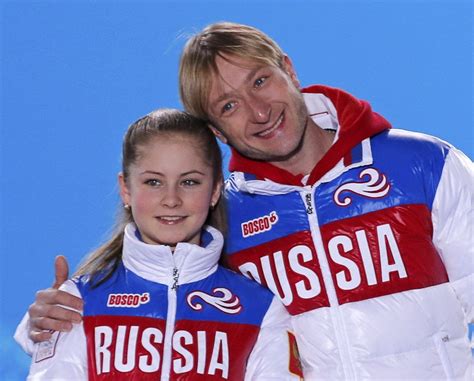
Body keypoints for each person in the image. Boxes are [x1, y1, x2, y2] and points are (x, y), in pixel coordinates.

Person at [17, 22, 473, 379]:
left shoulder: (423, 165)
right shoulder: (220, 215)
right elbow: (164, 299)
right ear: (216, 130)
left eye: (260, 81)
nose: (258, 111)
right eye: (228, 106)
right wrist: (50, 317)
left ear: (289, 70)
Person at [24, 109, 302, 380]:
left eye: (190, 182)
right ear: (126, 189)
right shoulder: (77, 301)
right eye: (154, 181)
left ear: (215, 189)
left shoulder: (260, 309)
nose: (171, 199)